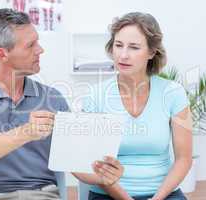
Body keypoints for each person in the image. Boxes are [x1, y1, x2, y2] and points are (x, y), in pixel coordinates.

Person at [0, 8, 123, 200]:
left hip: (43, 195)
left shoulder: (52, 98)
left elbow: (74, 163)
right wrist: (26, 132)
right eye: (30, 45)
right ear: (2, 54)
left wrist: (103, 175)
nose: (40, 50)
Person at [75, 12, 192, 200]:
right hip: (108, 194)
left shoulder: (173, 93)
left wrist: (157, 198)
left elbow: (184, 159)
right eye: (118, 45)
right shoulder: (95, 95)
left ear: (152, 52)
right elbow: (88, 161)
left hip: (163, 194)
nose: (123, 55)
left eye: (134, 47)